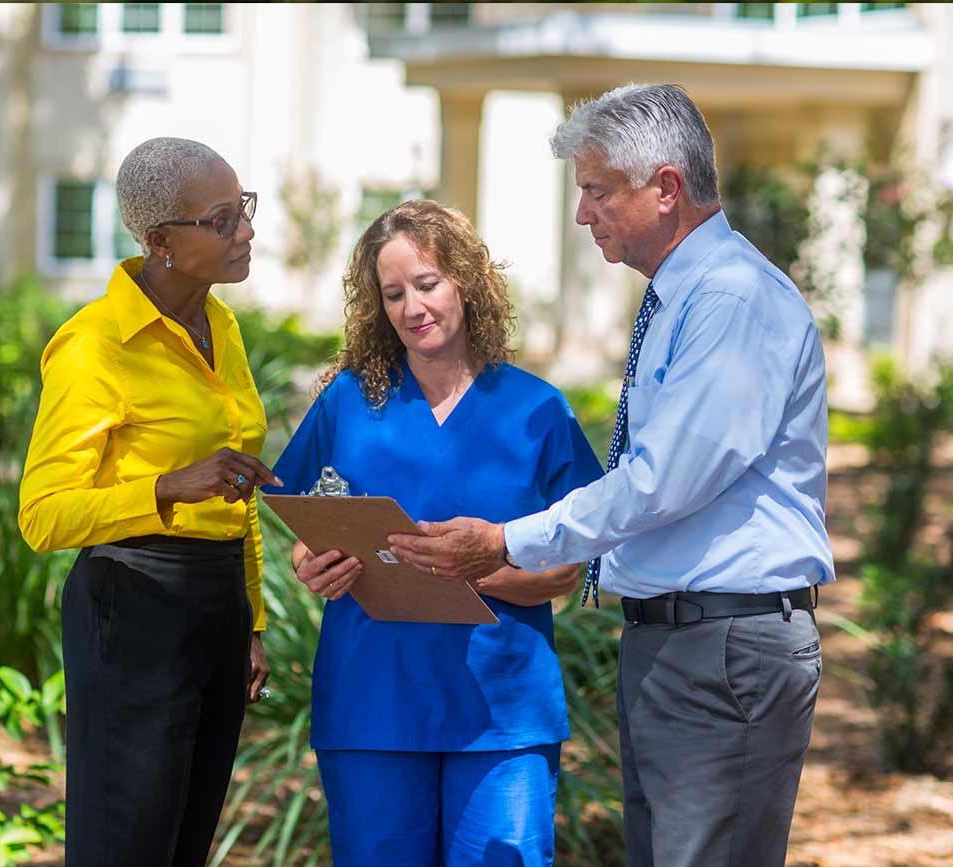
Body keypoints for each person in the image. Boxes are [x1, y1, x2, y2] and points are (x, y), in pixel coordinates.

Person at [388, 84, 835, 867]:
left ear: (665, 188)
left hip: (722, 646)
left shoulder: (729, 298)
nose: (582, 214)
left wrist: (504, 539)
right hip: (682, 641)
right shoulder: (682, 297)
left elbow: (665, 480)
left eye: (597, 191)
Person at [263, 200, 602, 866]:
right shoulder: (348, 403)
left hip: (501, 710)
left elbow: (569, 565)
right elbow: (307, 525)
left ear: (466, 283)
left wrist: (469, 566)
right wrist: (315, 565)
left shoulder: (536, 409)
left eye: (427, 283)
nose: (412, 306)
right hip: (371, 704)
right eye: (393, 293)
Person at [17, 137, 280, 867]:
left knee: (185, 843)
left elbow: (236, 485)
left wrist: (250, 618)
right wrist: (165, 486)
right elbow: (42, 514)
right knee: (125, 844)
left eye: (245, 209)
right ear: (161, 240)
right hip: (133, 608)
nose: (247, 232)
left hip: (217, 606)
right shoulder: (93, 346)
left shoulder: (219, 324)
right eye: (223, 219)